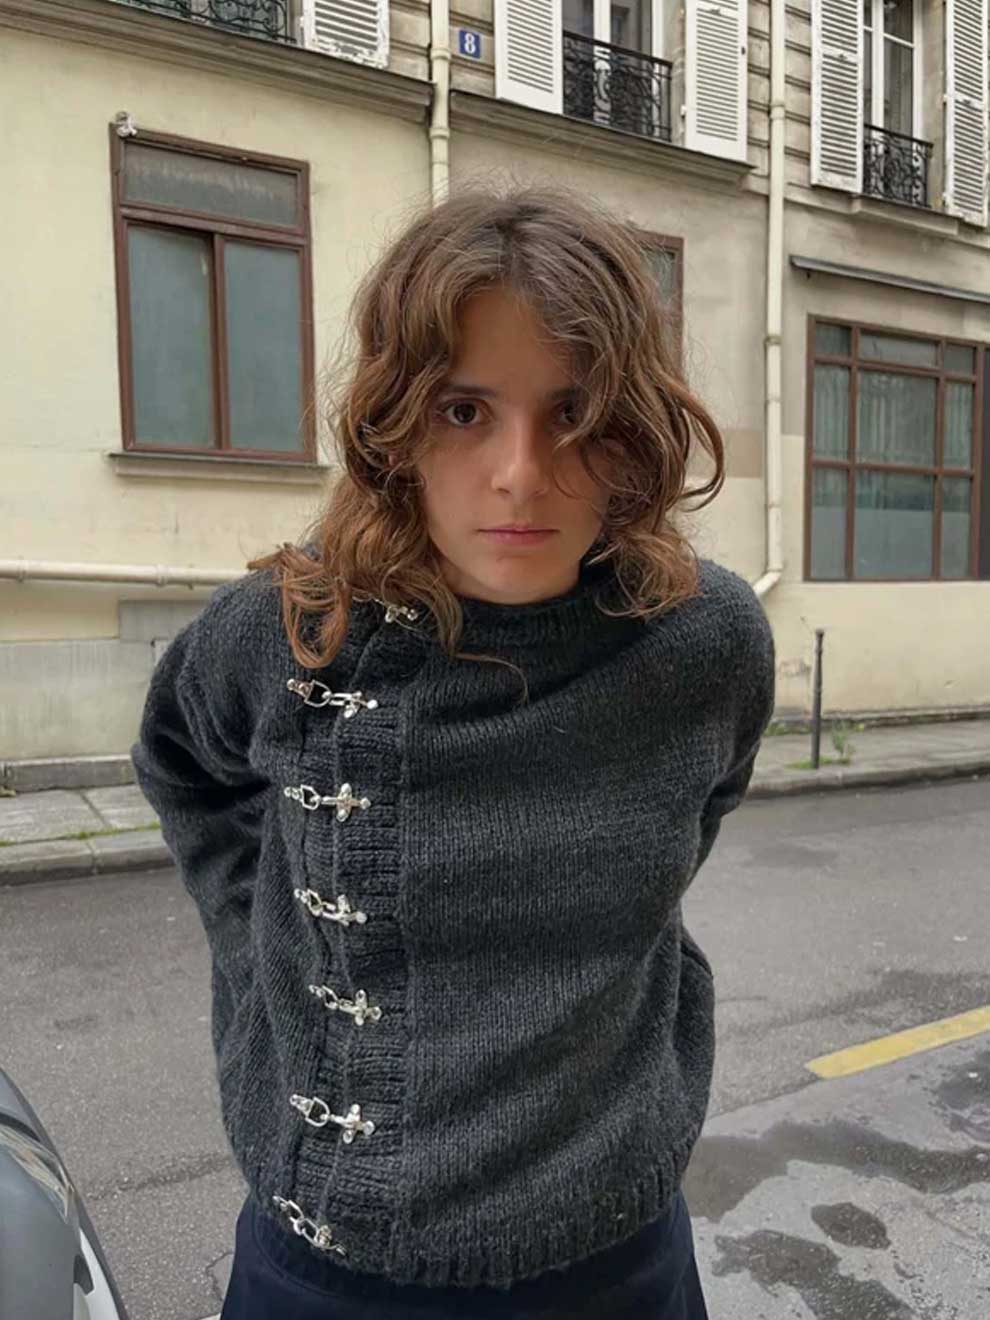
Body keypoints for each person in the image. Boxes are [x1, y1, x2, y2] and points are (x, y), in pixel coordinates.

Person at [132, 180, 776, 1320]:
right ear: (395, 424)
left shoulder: (707, 644)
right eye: (465, 411)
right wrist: (261, 944)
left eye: (574, 412)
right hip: (327, 1264)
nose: (522, 471)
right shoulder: (287, 631)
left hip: (615, 1257)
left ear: (634, 430)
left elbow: (701, 803)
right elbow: (182, 759)